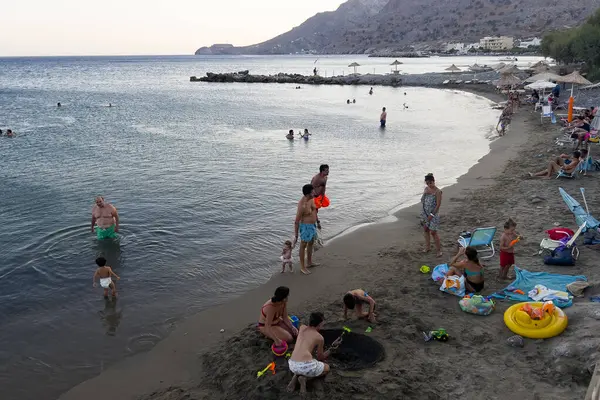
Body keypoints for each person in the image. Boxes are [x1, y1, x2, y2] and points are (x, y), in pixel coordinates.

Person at [286, 312, 339, 394]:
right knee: (327, 368)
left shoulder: (302, 327)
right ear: (320, 324)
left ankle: (296, 376)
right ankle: (305, 379)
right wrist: (331, 349)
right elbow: (320, 357)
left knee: (308, 359)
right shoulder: (319, 338)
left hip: (292, 364)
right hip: (304, 366)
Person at [293, 184, 318, 275]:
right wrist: (296, 236)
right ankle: (302, 267)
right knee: (303, 245)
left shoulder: (311, 199)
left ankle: (309, 262)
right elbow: (296, 221)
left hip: (312, 225)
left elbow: (314, 210)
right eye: (313, 191)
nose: (314, 192)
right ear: (308, 194)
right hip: (305, 227)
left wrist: (318, 221)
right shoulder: (302, 206)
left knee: (311, 243)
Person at [420, 173, 442, 257]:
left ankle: (439, 250)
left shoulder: (438, 191)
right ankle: (427, 247)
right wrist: (425, 193)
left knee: (433, 232)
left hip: (434, 214)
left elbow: (438, 205)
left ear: (434, 181)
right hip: (425, 213)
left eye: (430, 183)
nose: (429, 185)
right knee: (426, 230)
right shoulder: (426, 189)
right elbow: (422, 201)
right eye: (427, 183)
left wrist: (431, 215)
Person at [311, 164, 329, 230]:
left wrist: (323, 196)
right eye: (326, 170)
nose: (328, 172)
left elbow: (324, 187)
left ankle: (315, 223)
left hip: (320, 196)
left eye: (328, 170)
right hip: (314, 197)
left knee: (316, 211)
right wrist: (312, 199)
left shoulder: (325, 177)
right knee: (314, 211)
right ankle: (317, 223)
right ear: (322, 171)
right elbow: (311, 189)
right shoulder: (316, 179)